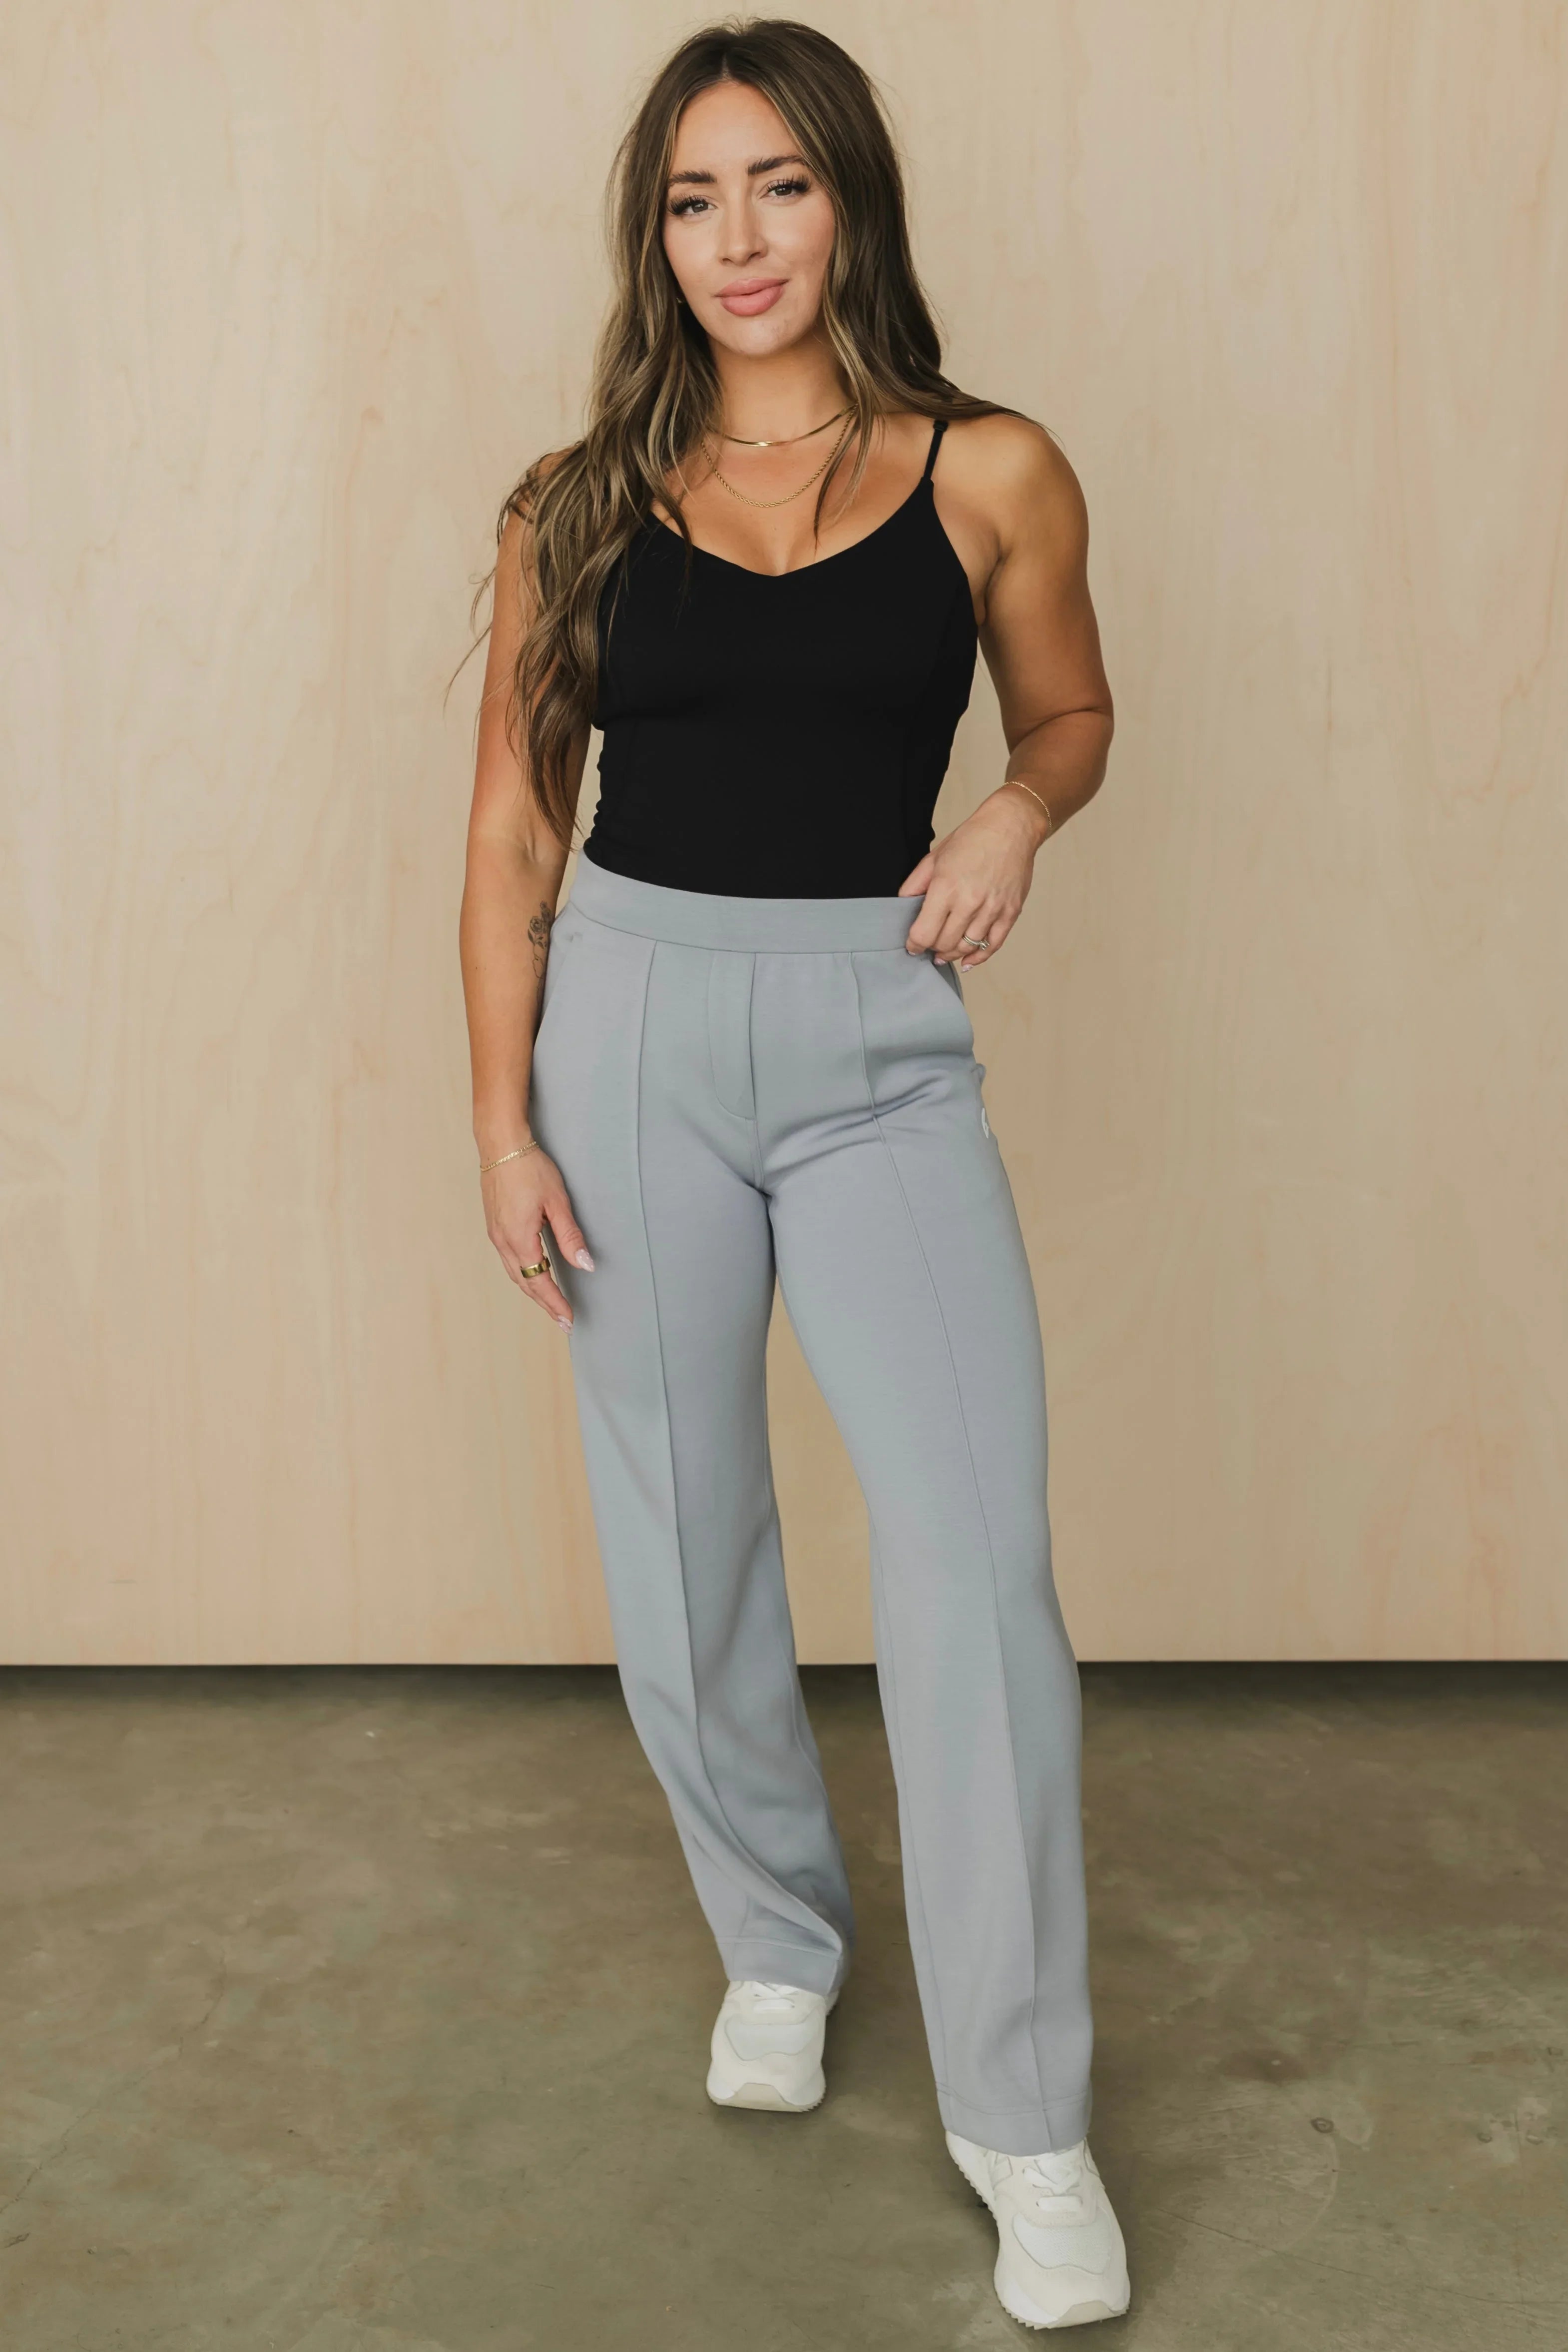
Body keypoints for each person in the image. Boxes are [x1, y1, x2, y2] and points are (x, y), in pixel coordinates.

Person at [459, 17, 1128, 2330]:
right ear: (651, 236)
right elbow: (508, 839)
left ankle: (1023, 2115)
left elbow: (1066, 713)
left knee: (968, 1559)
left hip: (873, 1043)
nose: (734, 242)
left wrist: (1017, 816)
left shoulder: (986, 469)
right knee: (681, 1535)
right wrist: (497, 1116)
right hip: (625, 1025)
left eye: (777, 188)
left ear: (850, 199)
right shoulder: (570, 502)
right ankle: (775, 1940)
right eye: (687, 199)